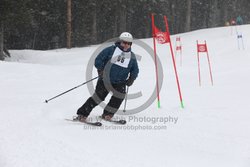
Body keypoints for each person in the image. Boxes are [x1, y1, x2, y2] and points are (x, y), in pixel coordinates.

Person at [76, 32, 139, 121]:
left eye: (129, 43)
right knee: (98, 97)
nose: (126, 45)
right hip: (105, 79)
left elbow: (135, 70)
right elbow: (98, 60)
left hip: (120, 82)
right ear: (120, 41)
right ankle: (82, 114)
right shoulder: (111, 50)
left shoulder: (131, 56)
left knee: (118, 97)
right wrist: (100, 70)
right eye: (124, 42)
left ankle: (108, 114)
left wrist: (131, 78)